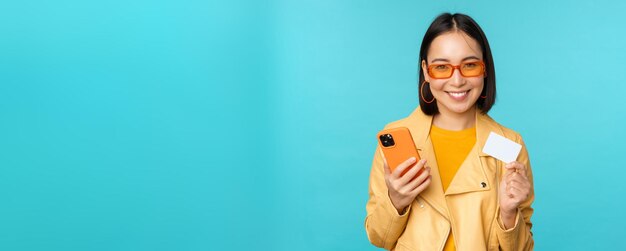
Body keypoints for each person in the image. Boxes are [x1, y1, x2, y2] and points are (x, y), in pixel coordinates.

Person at [364, 13, 534, 251]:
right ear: (426, 71)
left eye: (470, 65)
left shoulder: (509, 145)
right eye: (442, 67)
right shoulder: (397, 137)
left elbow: (523, 248)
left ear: (485, 69)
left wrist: (509, 214)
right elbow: (378, 237)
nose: (457, 80)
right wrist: (396, 202)